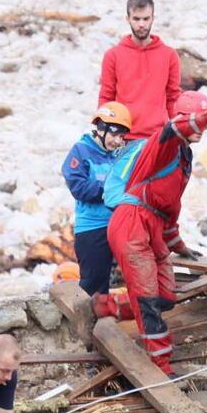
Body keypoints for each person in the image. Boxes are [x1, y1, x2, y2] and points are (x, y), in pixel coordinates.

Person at [103, 91, 207, 374]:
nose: (202, 130)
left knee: (166, 297)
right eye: (198, 123)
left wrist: (181, 247)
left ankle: (106, 306)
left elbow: (170, 209)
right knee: (147, 298)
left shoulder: (184, 158)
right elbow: (172, 128)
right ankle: (161, 365)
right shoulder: (164, 143)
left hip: (153, 226)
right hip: (132, 223)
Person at [62, 101, 131, 295]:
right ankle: (85, 324)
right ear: (101, 127)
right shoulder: (81, 151)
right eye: (114, 134)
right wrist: (111, 190)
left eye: (122, 136)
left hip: (117, 226)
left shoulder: (118, 155)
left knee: (121, 282)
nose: (118, 141)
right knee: (93, 286)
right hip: (92, 229)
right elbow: (78, 186)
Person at [98, 0, 181, 140]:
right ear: (128, 19)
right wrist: (104, 133)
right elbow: (106, 97)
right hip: (122, 138)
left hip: (157, 139)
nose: (141, 24)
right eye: (136, 19)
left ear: (153, 19)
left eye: (146, 19)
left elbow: (173, 97)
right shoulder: (113, 56)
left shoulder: (169, 55)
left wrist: (180, 134)